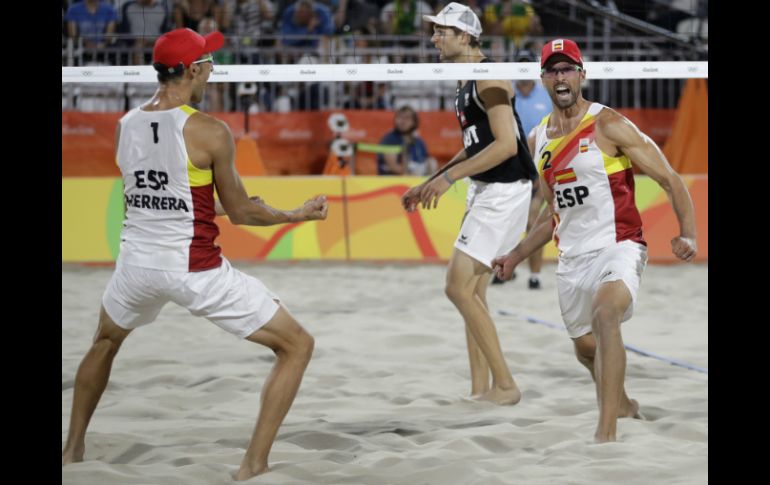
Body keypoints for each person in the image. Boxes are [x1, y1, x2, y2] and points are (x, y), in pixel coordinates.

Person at [61, 28, 329, 481]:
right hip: (193, 268)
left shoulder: (125, 125)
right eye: (208, 62)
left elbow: (162, 198)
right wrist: (295, 215)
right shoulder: (210, 130)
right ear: (192, 70)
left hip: (135, 266)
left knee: (104, 342)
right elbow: (243, 213)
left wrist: (218, 206)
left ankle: (72, 451)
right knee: (297, 346)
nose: (212, 70)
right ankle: (253, 465)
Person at [492, 39, 697, 442]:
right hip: (572, 258)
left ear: (582, 75)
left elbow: (669, 178)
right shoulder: (538, 139)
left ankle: (606, 435)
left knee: (605, 316)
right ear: (543, 79)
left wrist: (687, 231)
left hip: (619, 244)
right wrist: (515, 255)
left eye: (568, 69)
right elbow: (552, 213)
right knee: (586, 349)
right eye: (553, 70)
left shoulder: (608, 123)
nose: (561, 77)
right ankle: (621, 404)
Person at [401, 3, 537, 405]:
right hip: (487, 188)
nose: (434, 38)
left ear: (465, 37)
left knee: (457, 287)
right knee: (472, 293)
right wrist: (433, 179)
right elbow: (476, 146)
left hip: (504, 190)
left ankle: (506, 385)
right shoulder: (465, 80)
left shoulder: (488, 76)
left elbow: (507, 145)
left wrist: (448, 179)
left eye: (441, 31)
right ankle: (481, 389)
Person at [377, 105, 438, 176]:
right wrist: (411, 174)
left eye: (407, 118)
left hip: (418, 176)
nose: (403, 121)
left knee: (432, 162)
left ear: (414, 122)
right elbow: (393, 167)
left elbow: (426, 160)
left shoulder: (419, 141)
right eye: (400, 117)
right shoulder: (389, 139)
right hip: (395, 178)